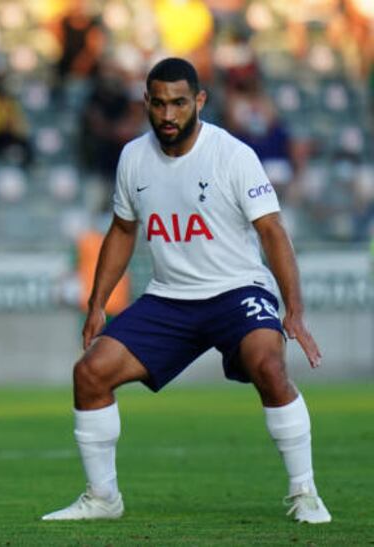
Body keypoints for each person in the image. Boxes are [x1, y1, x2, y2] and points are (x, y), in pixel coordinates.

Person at [41, 58, 331, 524]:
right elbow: (120, 230)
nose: (168, 114)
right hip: (170, 297)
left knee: (269, 366)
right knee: (90, 374)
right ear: (147, 104)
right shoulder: (133, 157)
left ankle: (305, 492)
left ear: (199, 101)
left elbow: (272, 231)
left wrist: (293, 310)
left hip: (237, 290)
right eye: (159, 103)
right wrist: (96, 303)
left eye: (179, 102)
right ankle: (103, 498)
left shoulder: (232, 155)